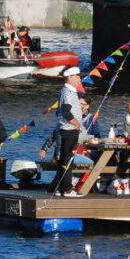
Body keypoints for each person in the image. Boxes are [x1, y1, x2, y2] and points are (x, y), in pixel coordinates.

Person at [51, 67, 84, 196]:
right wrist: (76, 123)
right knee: (68, 160)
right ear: (69, 77)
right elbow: (66, 111)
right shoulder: (68, 92)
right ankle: (67, 188)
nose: (79, 78)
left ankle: (60, 188)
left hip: (67, 129)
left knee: (65, 159)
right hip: (70, 129)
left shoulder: (68, 91)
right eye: (77, 76)